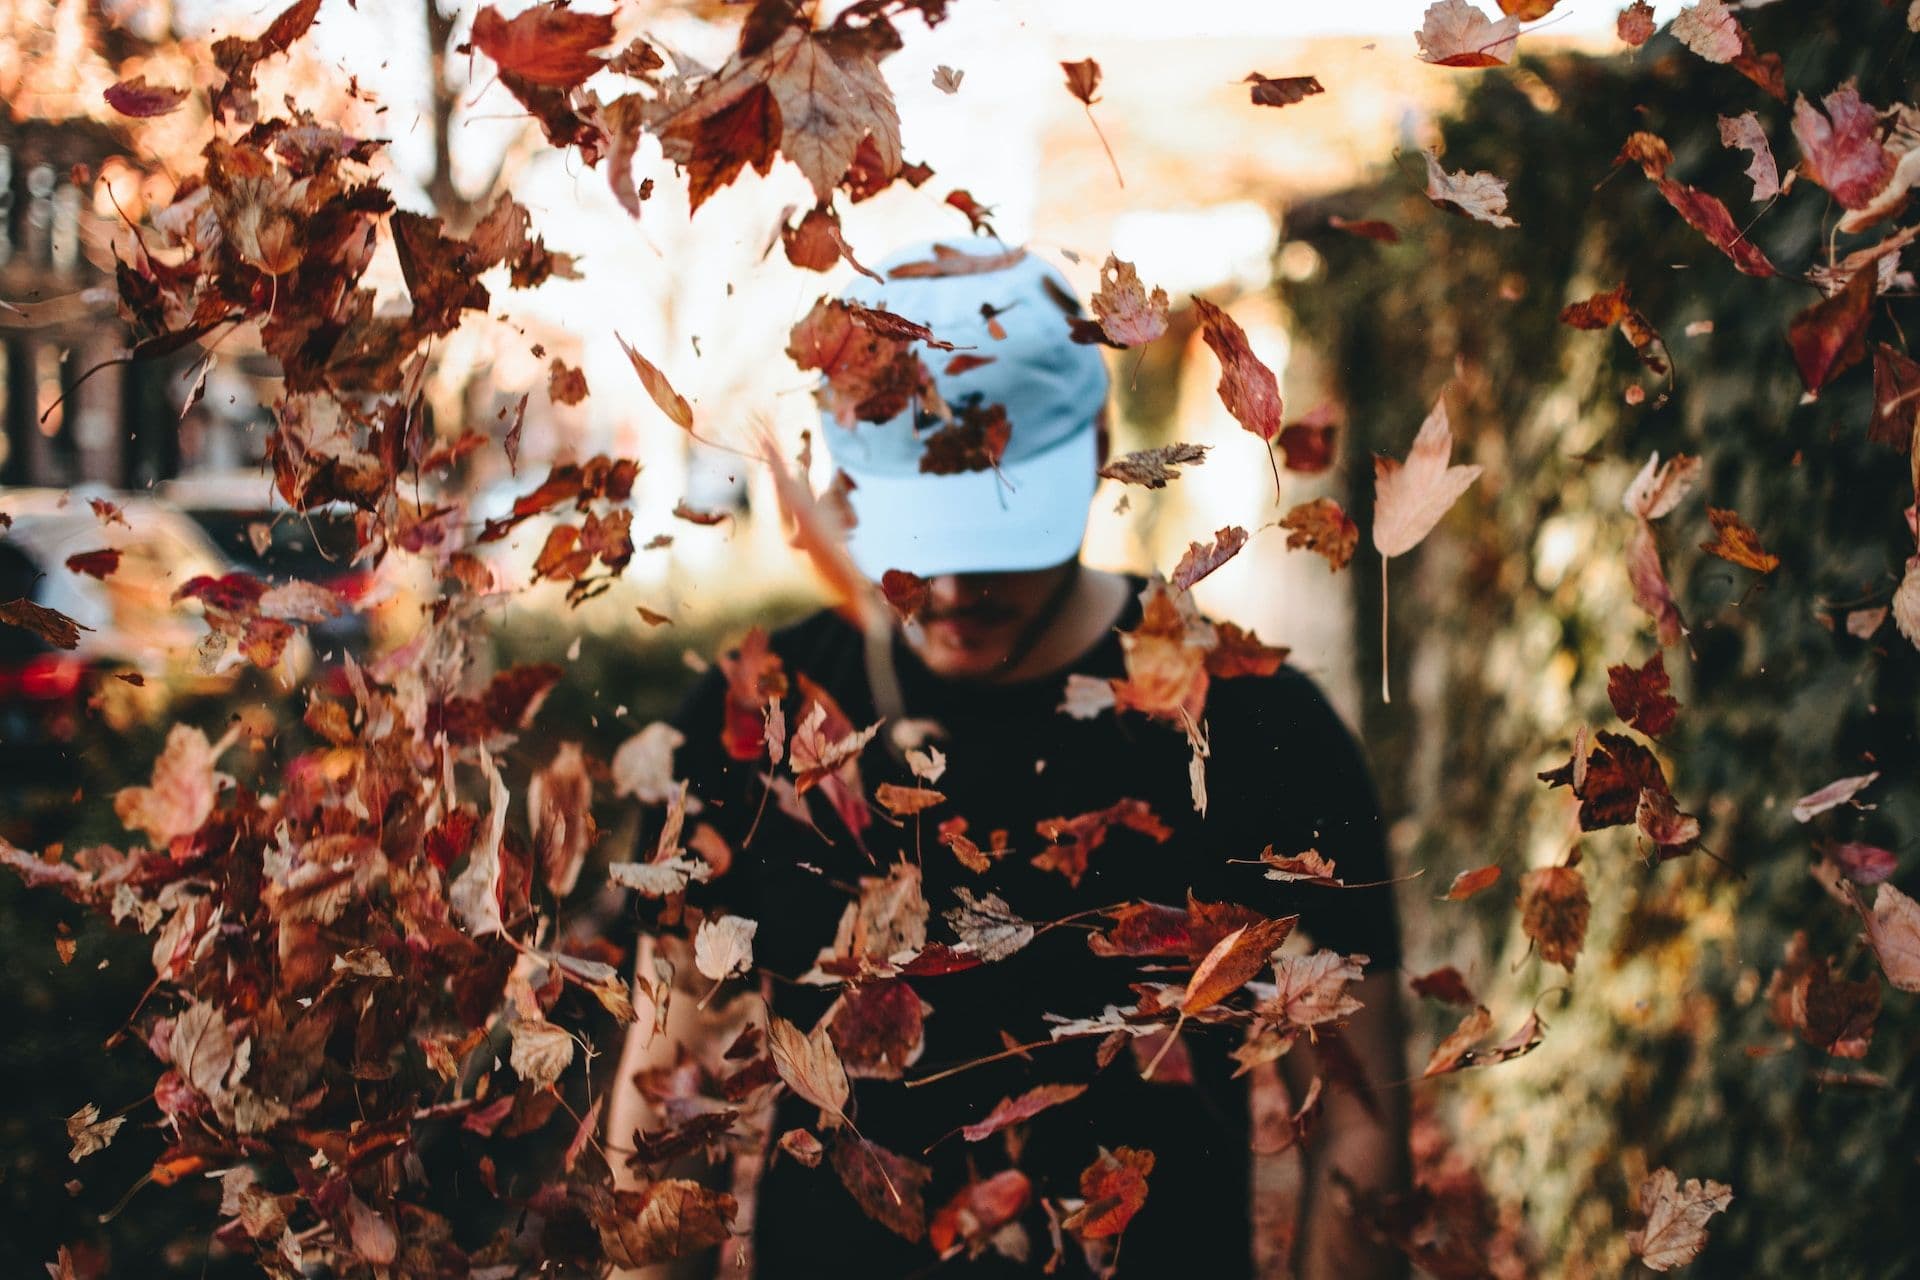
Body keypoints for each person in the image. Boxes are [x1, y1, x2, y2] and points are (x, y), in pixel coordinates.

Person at [607, 239, 1409, 1278]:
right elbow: (662, 1093)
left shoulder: (1258, 724)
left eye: (990, 538)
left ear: (1098, 450)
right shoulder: (747, 721)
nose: (944, 590)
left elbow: (1359, 1125)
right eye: (909, 537)